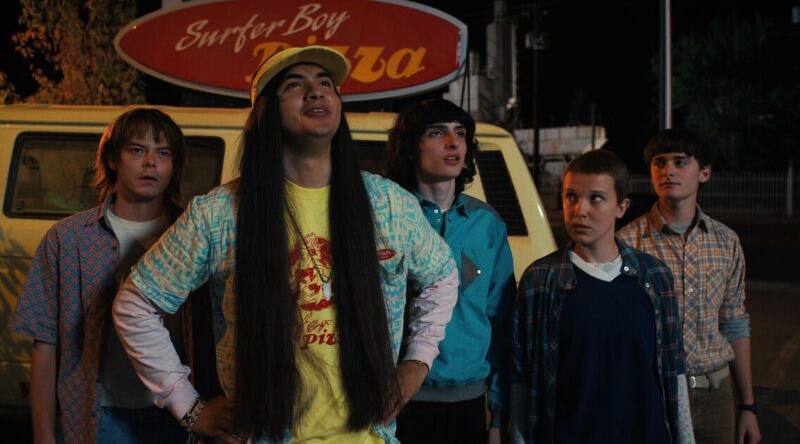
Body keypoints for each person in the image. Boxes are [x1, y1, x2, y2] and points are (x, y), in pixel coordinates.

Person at [111, 45, 459, 444]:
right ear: (266, 112)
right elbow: (135, 305)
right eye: (295, 84)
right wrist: (187, 405)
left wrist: (417, 361)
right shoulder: (221, 213)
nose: (316, 91)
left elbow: (442, 276)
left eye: (325, 83)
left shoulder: (388, 204)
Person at [12, 108, 189, 443]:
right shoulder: (67, 239)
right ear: (112, 159)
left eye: (163, 153)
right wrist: (43, 436)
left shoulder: (194, 235)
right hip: (98, 416)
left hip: (178, 415)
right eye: (137, 150)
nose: (150, 162)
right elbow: (45, 344)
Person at [510, 150, 694, 444]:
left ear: (621, 207)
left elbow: (674, 368)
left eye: (596, 198)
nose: (580, 210)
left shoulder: (655, 276)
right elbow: (522, 377)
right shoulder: (541, 280)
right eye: (571, 196)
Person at [617, 128, 761, 444]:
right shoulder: (626, 243)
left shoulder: (726, 241)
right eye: (659, 162)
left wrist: (748, 406)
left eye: (680, 162)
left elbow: (734, 323)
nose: (668, 170)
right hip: (653, 394)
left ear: (704, 172)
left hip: (716, 397)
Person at [384, 99, 515, 444]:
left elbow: (501, 321)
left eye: (460, 133)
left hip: (468, 402)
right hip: (397, 397)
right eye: (437, 133)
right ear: (411, 147)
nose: (454, 142)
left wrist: (498, 410)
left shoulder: (487, 224)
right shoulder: (390, 217)